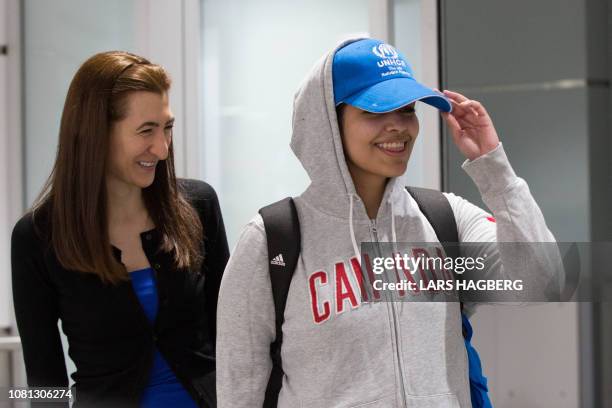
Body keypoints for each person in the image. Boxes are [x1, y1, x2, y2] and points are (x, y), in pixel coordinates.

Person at [216, 38, 561, 407]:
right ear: (328, 123)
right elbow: (240, 387)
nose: (398, 127)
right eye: (375, 112)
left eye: (408, 110)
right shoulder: (272, 241)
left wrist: (493, 166)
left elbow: (541, 282)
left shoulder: (444, 220)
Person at [11, 51, 229, 407]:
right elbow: (43, 384)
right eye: (146, 131)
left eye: (167, 128)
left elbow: (234, 337)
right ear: (96, 133)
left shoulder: (199, 205)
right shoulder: (37, 237)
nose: (161, 148)